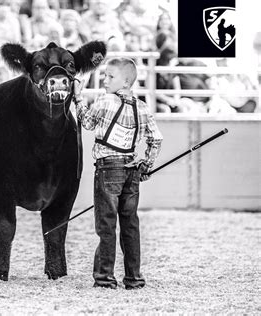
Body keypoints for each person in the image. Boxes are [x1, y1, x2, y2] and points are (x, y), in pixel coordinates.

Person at [73, 57, 163, 290]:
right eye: (105, 75)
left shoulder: (105, 101)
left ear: (125, 82)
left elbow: (87, 123)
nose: (105, 80)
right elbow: (156, 139)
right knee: (130, 224)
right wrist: (146, 165)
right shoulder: (142, 107)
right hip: (131, 171)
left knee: (106, 224)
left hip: (108, 169)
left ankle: (104, 278)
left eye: (110, 77)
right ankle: (134, 278)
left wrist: (78, 98)